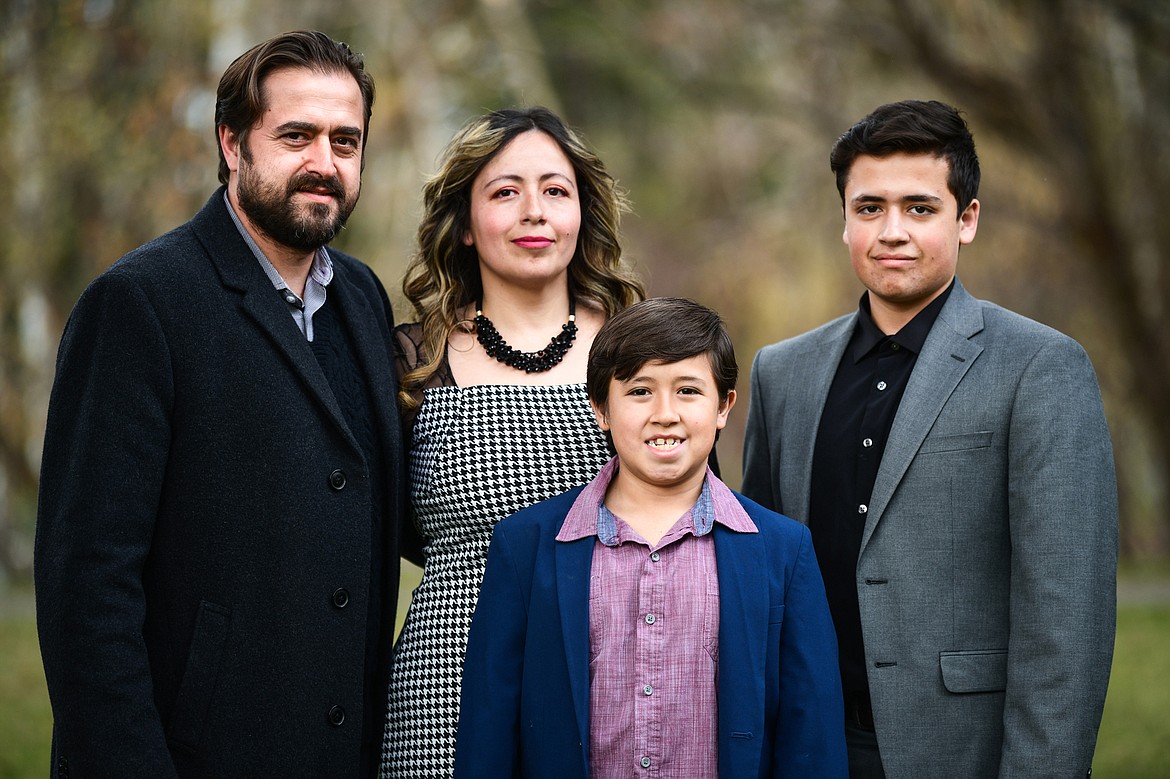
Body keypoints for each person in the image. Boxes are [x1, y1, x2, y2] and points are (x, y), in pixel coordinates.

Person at [34, 31, 405, 778]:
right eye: (295, 135)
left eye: (345, 140)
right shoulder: (139, 303)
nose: (324, 164)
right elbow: (88, 590)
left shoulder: (363, 297)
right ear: (233, 142)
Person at [741, 99, 1118, 778]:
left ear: (966, 218)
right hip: (807, 747)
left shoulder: (1041, 367)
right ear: (844, 220)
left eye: (919, 208)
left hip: (960, 751)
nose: (892, 231)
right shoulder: (782, 372)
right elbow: (760, 584)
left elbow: (1068, 620)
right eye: (869, 208)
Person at [454, 297, 848, 778]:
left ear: (724, 406)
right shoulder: (526, 545)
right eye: (640, 392)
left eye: (688, 391)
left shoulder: (782, 550)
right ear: (600, 408)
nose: (665, 413)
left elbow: (812, 738)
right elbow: (487, 732)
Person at [381, 106, 645, 777]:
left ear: (582, 212)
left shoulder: (640, 348)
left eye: (556, 191)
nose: (535, 211)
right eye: (505, 192)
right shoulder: (411, 360)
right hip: (447, 694)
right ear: (465, 224)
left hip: (614, 686)